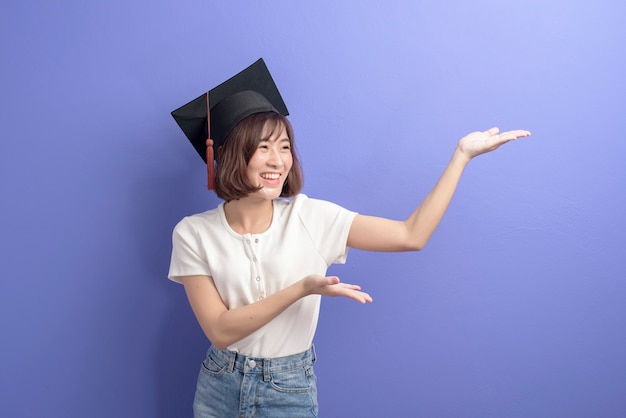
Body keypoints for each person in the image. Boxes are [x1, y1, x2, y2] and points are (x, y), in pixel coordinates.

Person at [168, 58, 531, 418]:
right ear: (231, 154)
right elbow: (219, 330)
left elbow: (411, 235)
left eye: (284, 146)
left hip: (288, 389)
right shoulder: (194, 233)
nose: (278, 160)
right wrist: (301, 288)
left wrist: (461, 157)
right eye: (263, 147)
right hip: (219, 387)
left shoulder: (312, 217)